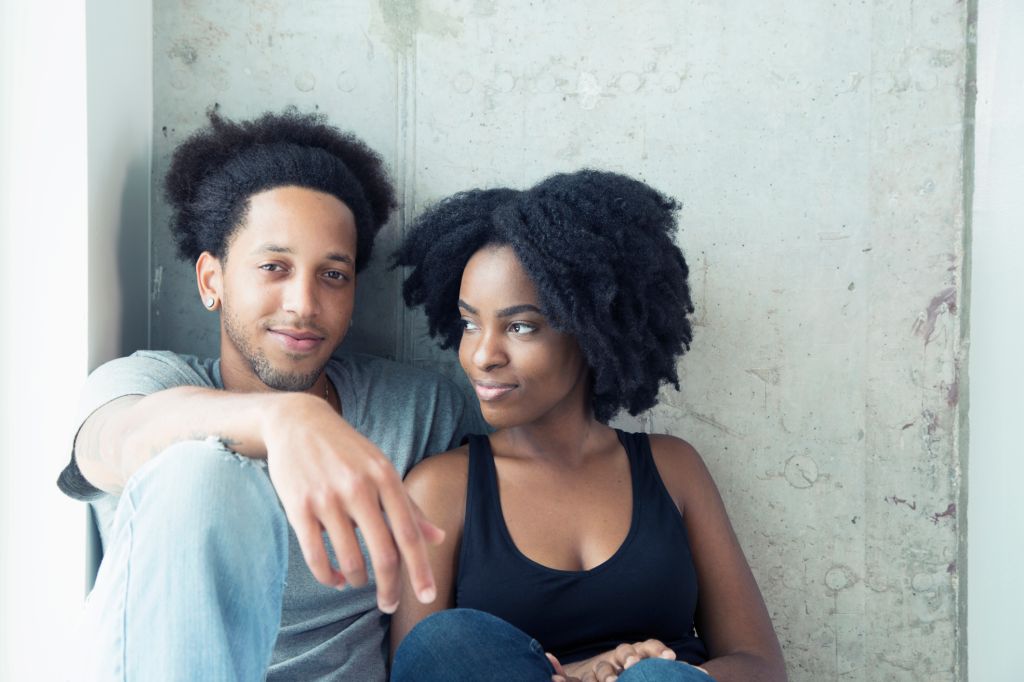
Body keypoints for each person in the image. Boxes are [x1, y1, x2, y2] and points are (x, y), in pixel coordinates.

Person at [56, 108, 483, 681]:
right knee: (199, 473)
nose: (303, 304)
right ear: (213, 279)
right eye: (274, 267)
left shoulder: (414, 411)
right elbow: (110, 446)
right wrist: (287, 418)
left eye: (333, 275)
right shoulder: (148, 384)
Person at [388, 170, 787, 682]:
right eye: (470, 324)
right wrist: (585, 673)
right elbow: (425, 670)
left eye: (520, 326)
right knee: (447, 642)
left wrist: (643, 674)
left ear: (592, 330)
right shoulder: (441, 490)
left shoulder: (672, 468)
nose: (483, 355)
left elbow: (761, 666)